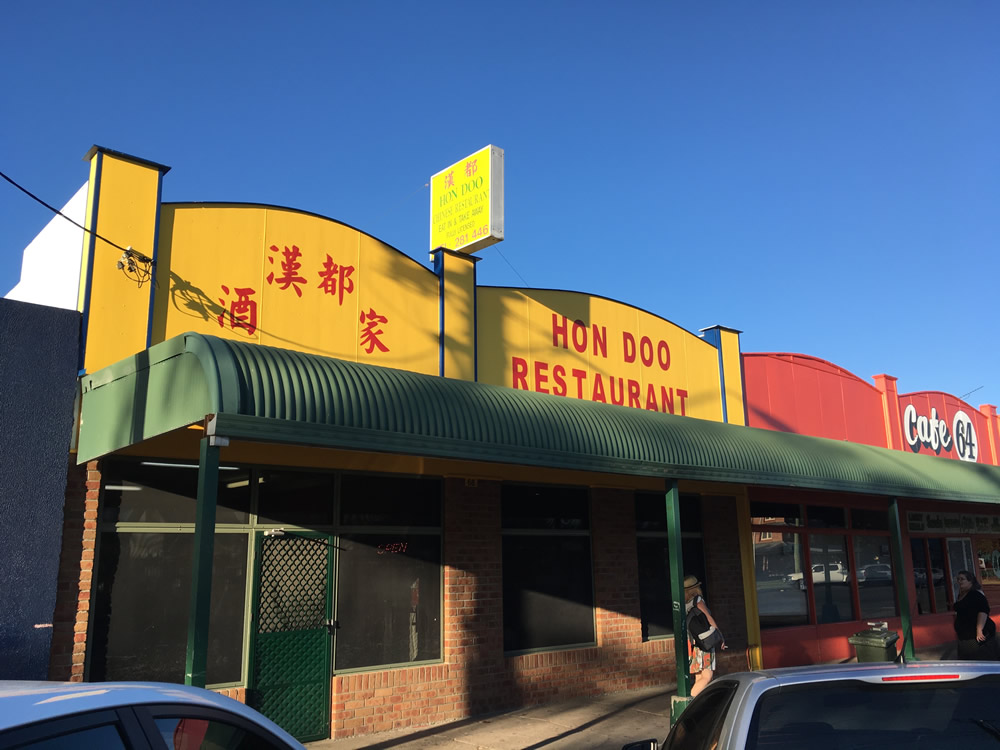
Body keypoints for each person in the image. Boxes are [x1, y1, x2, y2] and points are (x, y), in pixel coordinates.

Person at [684, 575, 727, 696]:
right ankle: (687, 705)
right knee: (707, 676)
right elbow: (708, 617)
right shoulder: (697, 600)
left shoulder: (685, 604)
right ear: (696, 588)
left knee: (699, 678)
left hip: (693, 643)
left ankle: (694, 706)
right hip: (704, 642)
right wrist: (720, 635)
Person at [953, 570, 997, 660]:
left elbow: (983, 611)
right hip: (964, 636)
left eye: (962, 579)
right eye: (958, 579)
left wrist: (979, 630)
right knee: (966, 660)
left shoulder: (976, 594)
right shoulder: (962, 594)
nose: (959, 581)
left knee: (980, 658)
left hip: (975, 636)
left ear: (970, 581)